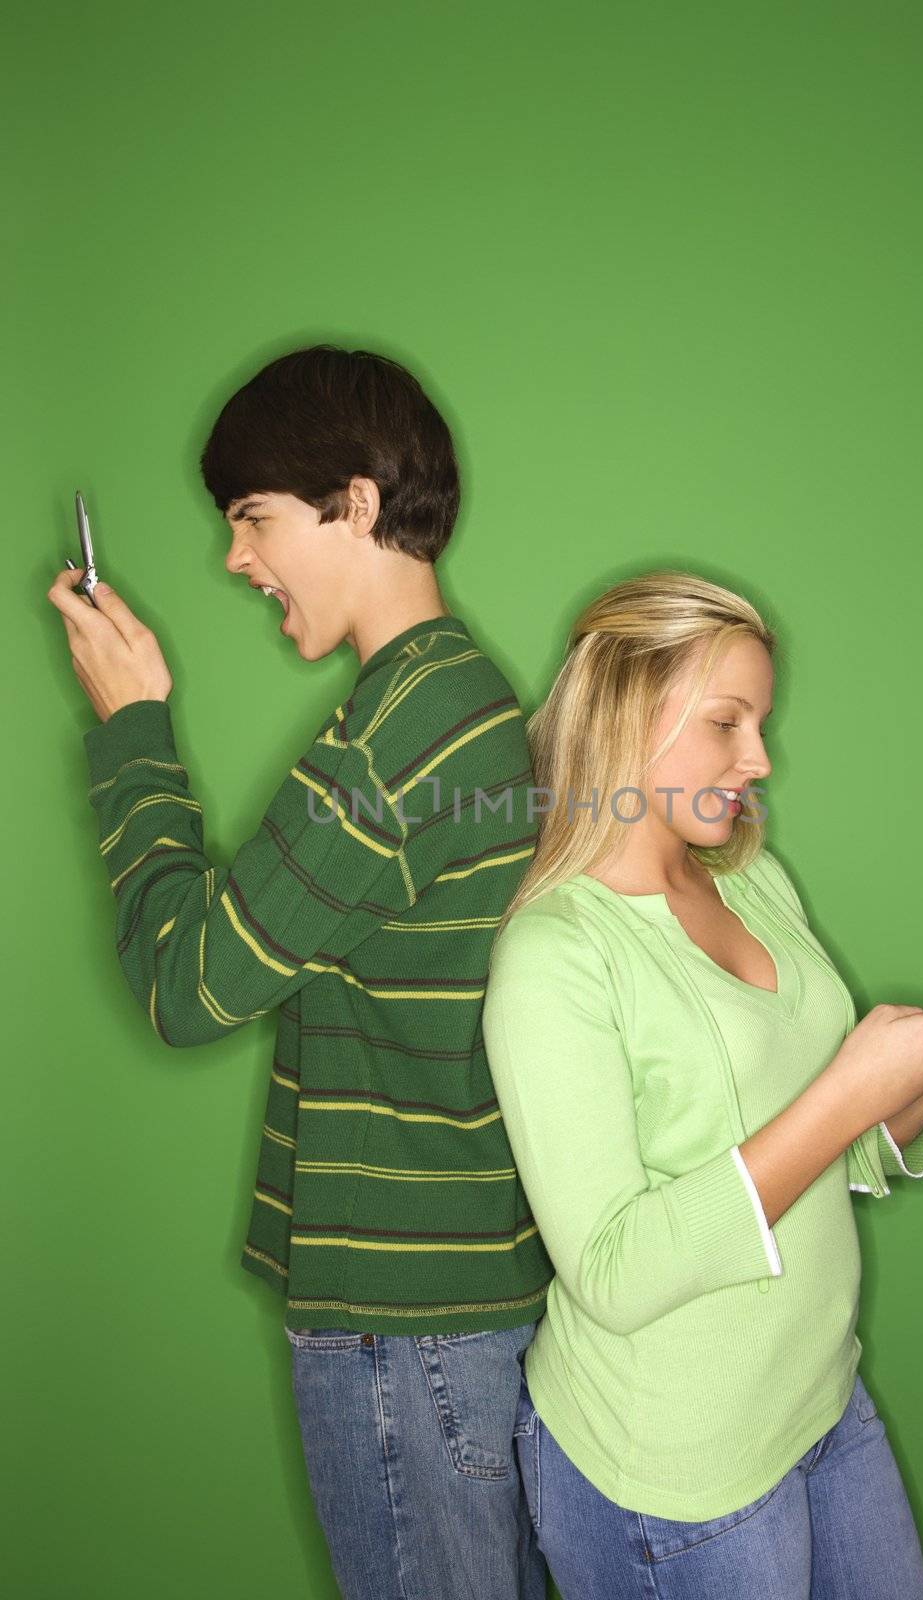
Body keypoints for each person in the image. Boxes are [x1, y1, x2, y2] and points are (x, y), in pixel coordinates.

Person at [46, 345, 554, 1600]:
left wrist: (130, 729)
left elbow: (190, 982)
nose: (235, 560)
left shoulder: (402, 731)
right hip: (457, 1309)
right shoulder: (458, 699)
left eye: (251, 518)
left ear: (358, 504)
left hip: (406, 1322)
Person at [481, 569, 923, 1599]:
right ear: (623, 714)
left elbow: (833, 1150)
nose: (759, 758)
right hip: (671, 1471)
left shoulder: (749, 880)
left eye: (758, 722)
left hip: (817, 1399)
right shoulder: (553, 955)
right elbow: (611, 1269)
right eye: (725, 721)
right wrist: (849, 1087)